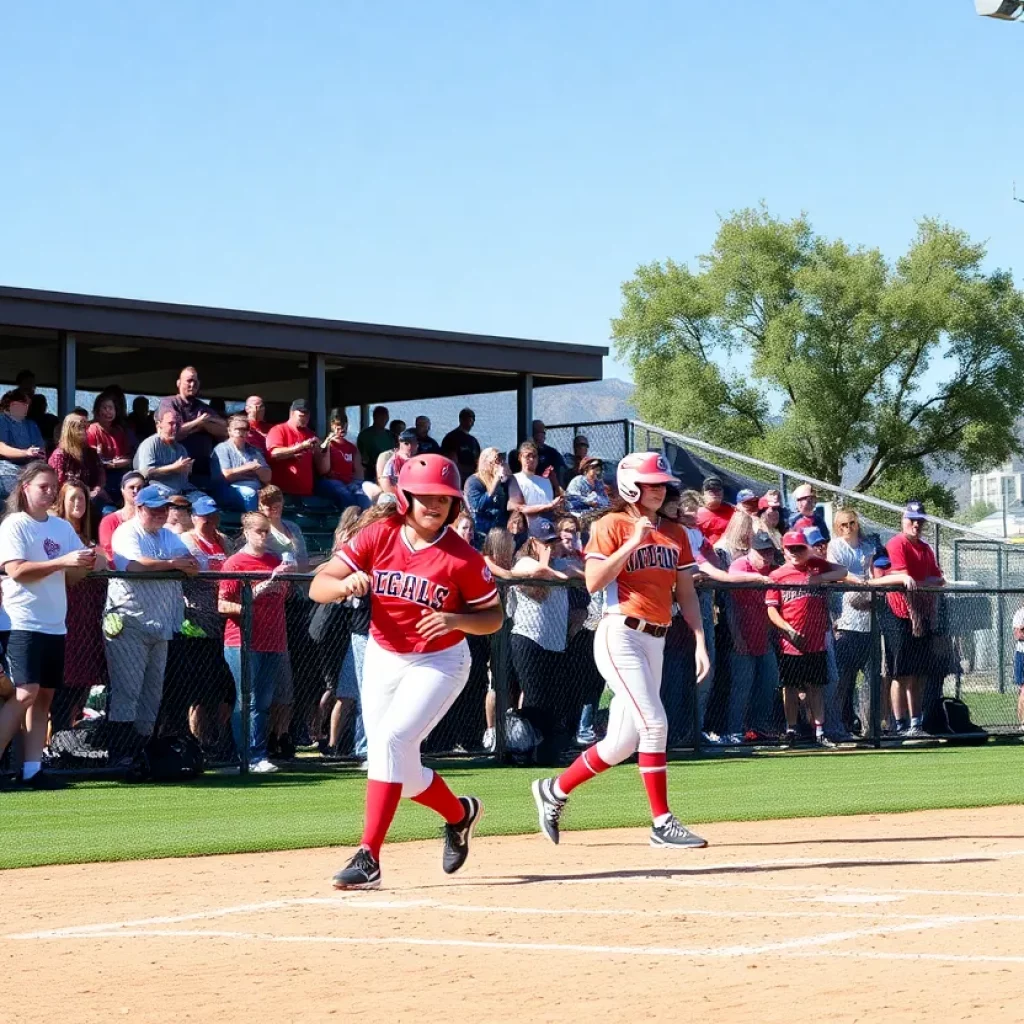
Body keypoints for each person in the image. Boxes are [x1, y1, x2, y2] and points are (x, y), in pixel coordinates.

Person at [310, 453, 503, 890]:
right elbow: (319, 585)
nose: (434, 506)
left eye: (444, 499)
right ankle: (460, 814)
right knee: (398, 764)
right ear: (405, 496)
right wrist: (342, 585)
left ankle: (369, 856)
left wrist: (456, 620)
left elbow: (493, 618)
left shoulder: (463, 558)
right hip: (383, 655)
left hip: (441, 660)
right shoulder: (379, 535)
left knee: (393, 741)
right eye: (425, 497)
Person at [531, 452, 711, 849]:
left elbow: (685, 593)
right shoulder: (610, 524)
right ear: (631, 485)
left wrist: (700, 640)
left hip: (657, 638)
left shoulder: (675, 533)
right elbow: (594, 581)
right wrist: (633, 541)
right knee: (655, 723)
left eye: (663, 483)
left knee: (621, 743)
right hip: (620, 632)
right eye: (652, 483)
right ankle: (661, 822)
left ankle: (553, 790)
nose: (660, 489)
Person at [0, 462, 96, 788]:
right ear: (25, 488)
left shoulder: (61, 528)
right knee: (24, 694)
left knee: (43, 699)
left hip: (54, 624)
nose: (50, 491)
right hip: (22, 621)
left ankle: (32, 770)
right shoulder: (14, 524)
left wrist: (88, 561)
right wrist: (63, 561)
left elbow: (73, 575)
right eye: (43, 486)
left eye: (52, 486)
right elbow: (16, 570)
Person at [105, 485, 200, 766]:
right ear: (140, 507)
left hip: (160, 624)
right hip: (129, 622)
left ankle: (143, 752)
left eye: (164, 509)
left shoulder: (168, 535)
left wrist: (169, 564)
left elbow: (192, 564)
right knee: (128, 691)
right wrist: (172, 564)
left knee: (152, 694)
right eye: (155, 508)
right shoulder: (126, 531)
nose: (161, 513)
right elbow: (134, 565)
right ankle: (121, 754)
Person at [219, 512, 293, 774]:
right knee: (246, 700)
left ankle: (258, 754)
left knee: (263, 701)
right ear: (246, 532)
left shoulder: (275, 561)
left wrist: (281, 582)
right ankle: (247, 756)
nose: (264, 535)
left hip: (273, 639)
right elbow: (223, 604)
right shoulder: (234, 563)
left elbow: (283, 598)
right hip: (242, 641)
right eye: (259, 531)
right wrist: (259, 591)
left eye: (266, 531)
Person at [765, 530, 849, 748]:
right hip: (790, 641)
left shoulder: (816, 566)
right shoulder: (778, 575)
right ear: (783, 551)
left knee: (815, 687)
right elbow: (772, 611)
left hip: (815, 640)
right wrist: (788, 629)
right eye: (790, 549)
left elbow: (843, 570)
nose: (795, 553)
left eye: (799, 548)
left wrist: (819, 577)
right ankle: (791, 730)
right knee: (790, 686)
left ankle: (819, 731)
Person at [50, 480, 109, 735]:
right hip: (63, 615)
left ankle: (69, 739)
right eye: (72, 498)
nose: (78, 504)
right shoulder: (54, 533)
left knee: (82, 682)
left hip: (88, 616)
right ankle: (52, 741)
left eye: (82, 499)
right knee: (61, 681)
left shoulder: (88, 537)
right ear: (62, 501)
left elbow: (103, 564)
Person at [884, 501, 945, 738]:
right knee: (902, 672)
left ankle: (916, 724)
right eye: (912, 519)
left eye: (920, 521)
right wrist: (924, 583)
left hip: (923, 614)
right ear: (903, 520)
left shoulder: (925, 548)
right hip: (900, 614)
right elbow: (903, 578)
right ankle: (900, 724)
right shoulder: (897, 543)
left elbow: (937, 579)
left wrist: (923, 585)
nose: (916, 524)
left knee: (918, 673)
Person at [826, 509, 878, 740]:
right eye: (843, 525)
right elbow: (834, 571)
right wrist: (856, 579)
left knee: (871, 678)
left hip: (869, 617)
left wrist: (869, 581)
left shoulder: (868, 547)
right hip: (846, 619)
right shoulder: (835, 546)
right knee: (843, 679)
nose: (848, 528)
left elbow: (874, 570)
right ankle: (837, 727)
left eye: (852, 523)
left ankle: (870, 729)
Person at [725, 531, 779, 743]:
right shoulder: (740, 566)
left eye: (769, 553)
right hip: (742, 637)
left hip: (764, 639)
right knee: (741, 687)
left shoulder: (773, 571)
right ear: (751, 551)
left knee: (769, 682)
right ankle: (734, 731)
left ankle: (758, 728)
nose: (766, 558)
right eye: (762, 553)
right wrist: (737, 637)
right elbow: (731, 606)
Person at [156, 366, 228, 482]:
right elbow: (174, 433)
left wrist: (204, 425)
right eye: (189, 381)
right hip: (175, 468)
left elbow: (225, 430)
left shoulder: (203, 407)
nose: (192, 384)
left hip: (203, 469)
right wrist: (198, 423)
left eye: (195, 381)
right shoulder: (169, 403)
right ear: (178, 383)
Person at [134, 407, 207, 499]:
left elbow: (185, 477)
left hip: (182, 491)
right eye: (171, 424)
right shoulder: (150, 444)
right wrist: (173, 468)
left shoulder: (181, 449)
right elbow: (144, 473)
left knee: (207, 502)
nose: (175, 427)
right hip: (157, 492)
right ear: (159, 425)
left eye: (177, 424)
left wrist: (187, 470)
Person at [265, 399, 328, 499]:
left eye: (307, 416)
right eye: (301, 416)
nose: (305, 419)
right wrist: (299, 447)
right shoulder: (278, 430)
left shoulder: (310, 434)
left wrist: (323, 449)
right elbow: (273, 453)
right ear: (292, 413)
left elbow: (323, 469)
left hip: (306, 492)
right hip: (283, 493)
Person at [49, 411, 111, 511]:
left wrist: (97, 489)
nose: (87, 431)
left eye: (87, 427)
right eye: (82, 428)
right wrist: (83, 494)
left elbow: (101, 475)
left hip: (94, 498)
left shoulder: (92, 453)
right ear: (72, 430)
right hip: (70, 501)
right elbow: (59, 484)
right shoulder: (60, 455)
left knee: (108, 511)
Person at [211, 414, 272, 511]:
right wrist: (249, 468)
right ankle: (254, 522)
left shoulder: (254, 450)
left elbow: (267, 477)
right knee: (249, 493)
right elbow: (227, 475)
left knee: (273, 494)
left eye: (244, 429)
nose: (240, 432)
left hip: (256, 488)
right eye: (236, 429)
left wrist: (256, 470)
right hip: (227, 490)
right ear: (229, 431)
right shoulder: (222, 448)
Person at [319, 409, 370, 511]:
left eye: (343, 425)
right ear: (332, 426)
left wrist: (358, 486)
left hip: (348, 482)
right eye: (337, 426)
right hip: (330, 482)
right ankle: (352, 517)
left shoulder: (352, 447)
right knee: (343, 491)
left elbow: (358, 473)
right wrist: (327, 443)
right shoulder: (326, 445)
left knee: (364, 495)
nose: (341, 429)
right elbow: (323, 470)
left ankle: (365, 521)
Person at [464, 447, 519, 540]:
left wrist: (509, 476)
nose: (499, 464)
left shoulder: (502, 481)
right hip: (481, 532)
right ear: (486, 462)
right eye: (496, 461)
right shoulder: (473, 481)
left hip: (500, 531)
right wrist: (496, 480)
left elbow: (511, 501)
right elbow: (478, 506)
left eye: (501, 460)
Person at [0, 389, 46, 499]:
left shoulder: (31, 425)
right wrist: (25, 453)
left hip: (30, 470)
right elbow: (1, 447)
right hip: (6, 470)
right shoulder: (2, 421)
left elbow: (41, 450)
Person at [509, 440, 564, 529]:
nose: (531, 460)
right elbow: (520, 508)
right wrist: (548, 506)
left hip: (548, 529)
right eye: (527, 456)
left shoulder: (545, 482)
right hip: (526, 530)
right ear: (520, 457)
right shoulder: (514, 480)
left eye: (534, 456)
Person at [88, 391, 134, 496]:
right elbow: (93, 460)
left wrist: (114, 464)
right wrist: (111, 464)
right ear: (97, 410)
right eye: (105, 408)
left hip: (118, 474)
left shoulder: (119, 430)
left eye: (111, 408)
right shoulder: (92, 430)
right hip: (99, 477)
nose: (108, 412)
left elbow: (127, 458)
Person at [98, 472, 145, 561]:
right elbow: (108, 552)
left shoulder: (150, 518)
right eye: (131, 487)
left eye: (140, 488)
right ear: (122, 490)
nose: (136, 491)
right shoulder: (109, 521)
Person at [441, 408, 480, 485]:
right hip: (456, 480)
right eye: (469, 420)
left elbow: (478, 460)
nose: (471, 423)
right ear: (461, 420)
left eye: (472, 420)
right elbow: (451, 462)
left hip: (471, 480)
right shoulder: (451, 437)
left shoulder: (473, 440)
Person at [357, 406, 394, 479]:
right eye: (381, 417)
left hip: (390, 470)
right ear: (374, 417)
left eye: (386, 417)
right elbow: (363, 457)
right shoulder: (365, 434)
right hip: (372, 472)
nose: (384, 419)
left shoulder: (390, 434)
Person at [696, 476, 734, 546]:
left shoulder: (733, 510)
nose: (715, 492)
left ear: (722, 493)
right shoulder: (695, 514)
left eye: (718, 489)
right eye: (710, 490)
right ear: (703, 494)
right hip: (706, 553)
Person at [379, 430, 419, 496]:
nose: (410, 446)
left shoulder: (418, 461)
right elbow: (386, 482)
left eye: (413, 443)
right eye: (406, 443)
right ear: (400, 444)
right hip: (398, 495)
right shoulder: (394, 461)